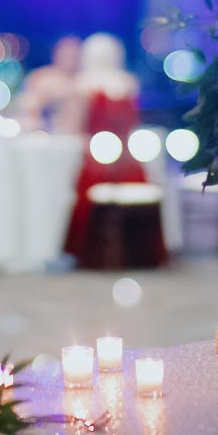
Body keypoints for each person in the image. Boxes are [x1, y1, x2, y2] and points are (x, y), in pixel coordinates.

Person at [60, 33, 162, 265]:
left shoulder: (102, 84)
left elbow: (73, 128)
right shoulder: (114, 85)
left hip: (115, 163)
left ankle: (115, 252)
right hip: (114, 161)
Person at [15, 35, 82, 133]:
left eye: (74, 57)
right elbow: (29, 109)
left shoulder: (84, 81)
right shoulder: (42, 78)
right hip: (47, 136)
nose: (70, 62)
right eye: (66, 56)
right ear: (56, 55)